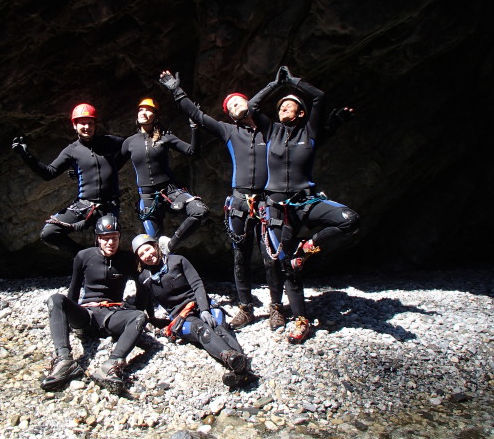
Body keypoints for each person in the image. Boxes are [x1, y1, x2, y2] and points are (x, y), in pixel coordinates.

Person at [159, 71, 285, 332]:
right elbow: (198, 117)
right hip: (239, 202)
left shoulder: (270, 131)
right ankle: (246, 307)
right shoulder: (229, 131)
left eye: (239, 102)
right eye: (231, 107)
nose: (236, 107)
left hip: (265, 201)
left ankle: (276, 307)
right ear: (228, 115)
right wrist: (176, 91)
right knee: (240, 256)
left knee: (270, 257)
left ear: (250, 103)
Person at [248, 65, 360, 344]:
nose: (284, 108)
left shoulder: (309, 132)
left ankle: (309, 246)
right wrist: (276, 85)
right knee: (289, 265)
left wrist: (294, 82)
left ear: (301, 113)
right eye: (281, 106)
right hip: (277, 208)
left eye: (290, 106)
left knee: (350, 219)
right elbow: (252, 106)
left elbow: (320, 97)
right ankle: (301, 319)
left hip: (305, 201)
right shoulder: (271, 130)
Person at [131, 233, 256, 388]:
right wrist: (152, 319)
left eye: (148, 249)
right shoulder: (144, 278)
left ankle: (241, 368)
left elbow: (197, 284)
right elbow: (142, 302)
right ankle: (232, 359)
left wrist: (205, 309)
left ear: (155, 246)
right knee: (202, 329)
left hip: (201, 304)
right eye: (141, 254)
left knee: (218, 326)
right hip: (181, 317)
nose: (147, 255)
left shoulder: (178, 261)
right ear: (139, 259)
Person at [40, 215, 147, 393]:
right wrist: (68, 320)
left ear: (119, 237)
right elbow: (73, 291)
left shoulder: (128, 259)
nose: (110, 242)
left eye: (113, 237)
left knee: (139, 317)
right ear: (98, 239)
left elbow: (141, 289)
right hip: (86, 316)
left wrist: (141, 313)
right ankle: (65, 360)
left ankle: (111, 366)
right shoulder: (84, 256)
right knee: (56, 299)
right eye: (105, 238)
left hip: (112, 316)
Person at [12, 103, 126, 255]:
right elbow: (49, 173)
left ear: (95, 124)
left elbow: (131, 146)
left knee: (108, 246)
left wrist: (114, 167)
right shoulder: (72, 150)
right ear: (75, 125)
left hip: (108, 207)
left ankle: (105, 269)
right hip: (84, 205)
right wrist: (26, 155)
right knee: (50, 232)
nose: (87, 127)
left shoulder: (108, 142)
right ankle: (83, 257)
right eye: (82, 123)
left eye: (90, 123)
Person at [121, 98, 209, 254]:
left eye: (149, 110)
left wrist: (194, 126)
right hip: (147, 197)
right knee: (154, 248)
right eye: (141, 109)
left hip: (170, 192)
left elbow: (193, 151)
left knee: (199, 211)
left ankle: (170, 245)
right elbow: (112, 166)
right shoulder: (129, 143)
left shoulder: (165, 137)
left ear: (155, 116)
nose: (144, 112)